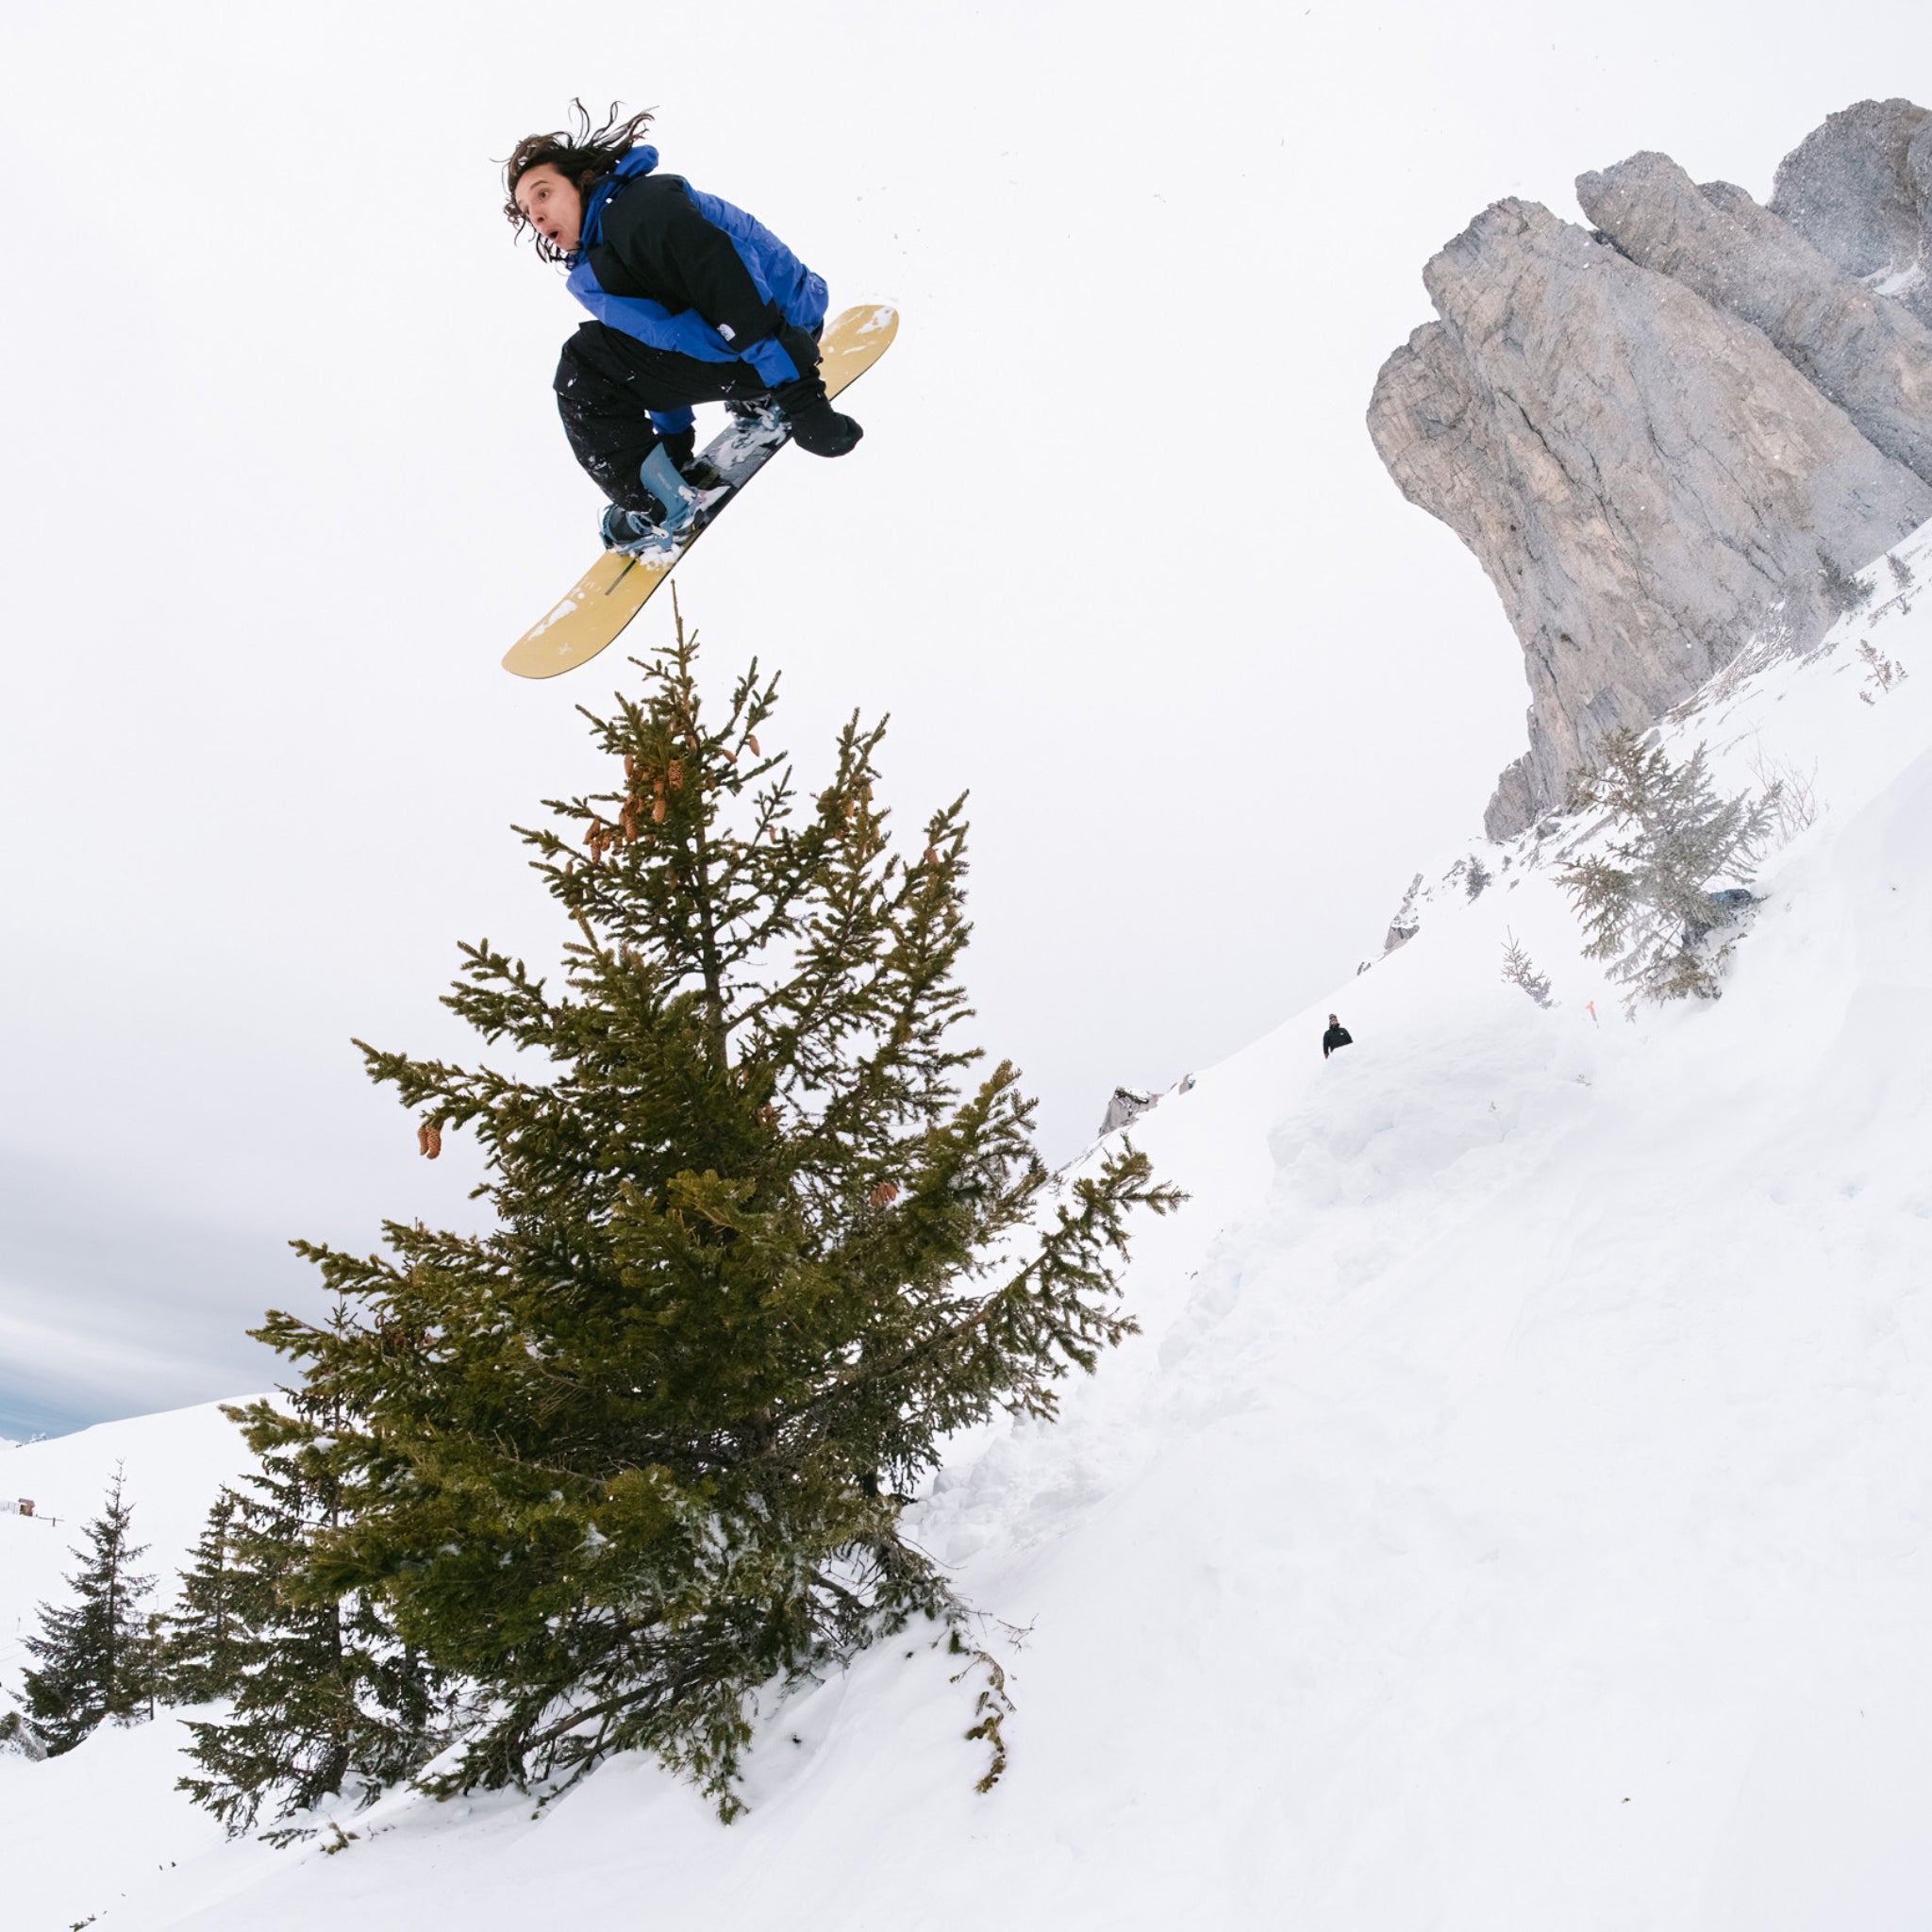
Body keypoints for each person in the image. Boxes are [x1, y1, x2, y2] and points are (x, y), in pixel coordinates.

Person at [504, 103, 862, 557]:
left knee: (584, 369)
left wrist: (804, 402)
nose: (536, 216)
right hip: (761, 344)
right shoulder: (608, 248)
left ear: (582, 181)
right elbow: (659, 336)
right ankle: (678, 465)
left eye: (542, 194)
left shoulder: (640, 212)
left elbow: (732, 287)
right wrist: (674, 442)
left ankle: (662, 507)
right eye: (525, 211)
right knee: (600, 355)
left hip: (779, 330)